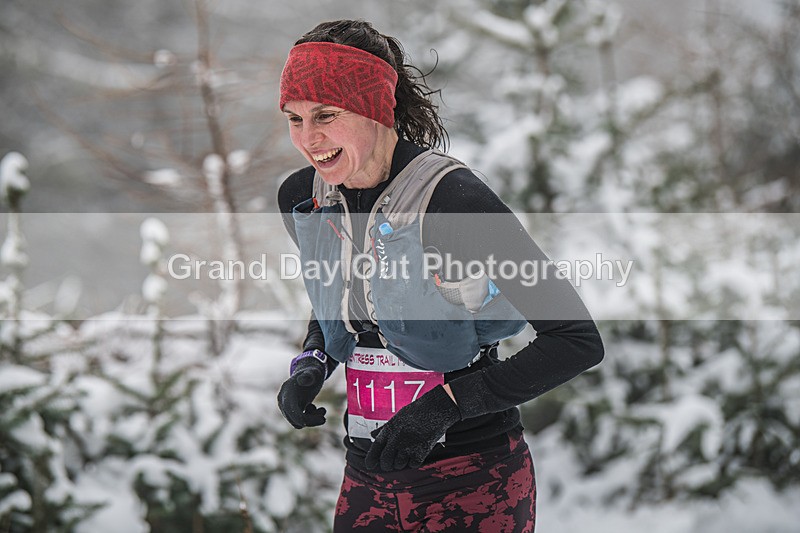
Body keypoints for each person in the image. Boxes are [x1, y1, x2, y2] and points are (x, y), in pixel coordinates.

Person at [275, 19, 603, 533]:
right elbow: (343, 307)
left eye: (326, 115)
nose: (308, 138)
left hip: (472, 479)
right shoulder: (307, 196)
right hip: (368, 474)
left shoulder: (454, 202)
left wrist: (445, 408)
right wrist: (313, 362)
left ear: (375, 109)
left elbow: (576, 341)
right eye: (294, 118)